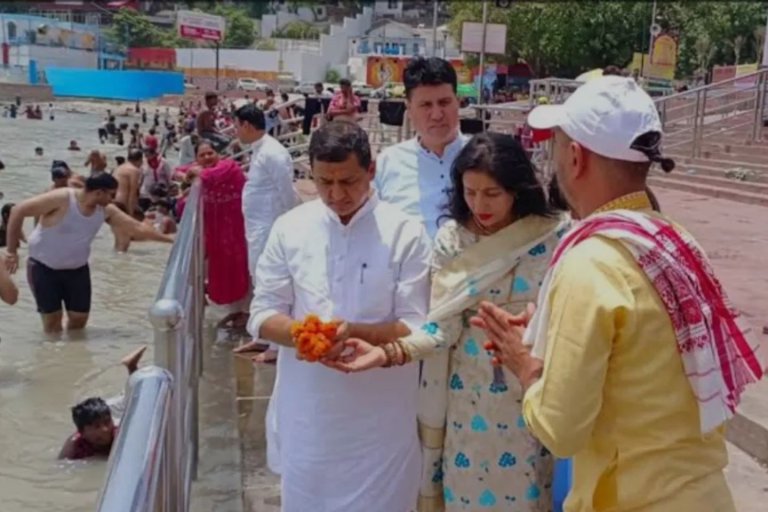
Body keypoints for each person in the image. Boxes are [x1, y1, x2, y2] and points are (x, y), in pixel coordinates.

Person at [473, 76, 764, 512]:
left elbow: (560, 428)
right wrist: (553, 327)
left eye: (556, 146)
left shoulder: (591, 261)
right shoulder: (673, 241)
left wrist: (524, 362)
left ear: (575, 157)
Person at [328, 133, 570, 511]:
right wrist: (385, 354)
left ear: (517, 188)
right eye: (470, 192)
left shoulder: (553, 236)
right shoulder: (452, 240)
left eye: (492, 193)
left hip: (529, 390)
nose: (479, 205)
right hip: (468, 398)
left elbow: (569, 316)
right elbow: (441, 328)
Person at [247, 121, 431, 511]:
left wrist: (355, 333)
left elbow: (416, 325)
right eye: (323, 182)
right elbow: (262, 314)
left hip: (382, 424)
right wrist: (304, 336)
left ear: (371, 170)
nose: (335, 194)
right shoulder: (290, 228)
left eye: (347, 181)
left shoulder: (406, 233)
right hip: (310, 417)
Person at [4, 174, 173, 333]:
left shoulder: (106, 210)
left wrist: (171, 240)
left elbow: (137, 228)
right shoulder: (62, 198)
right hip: (43, 268)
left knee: (79, 321)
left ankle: (72, 359)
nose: (112, 200)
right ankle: (52, 357)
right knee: (52, 323)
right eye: (110, 195)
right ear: (99, 192)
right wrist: (12, 251)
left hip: (77, 270)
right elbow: (18, 211)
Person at [375, 57, 469, 239]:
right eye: (425, 105)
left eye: (444, 103)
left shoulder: (484, 157)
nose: (436, 115)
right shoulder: (388, 163)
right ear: (409, 109)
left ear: (457, 102)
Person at [232, 103, 298, 360]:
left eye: (237, 126)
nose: (235, 131)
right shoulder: (259, 150)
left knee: (272, 283)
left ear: (247, 125)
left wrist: (286, 226)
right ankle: (261, 336)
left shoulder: (273, 153)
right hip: (258, 228)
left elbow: (286, 192)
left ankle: (276, 346)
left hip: (270, 227)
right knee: (259, 280)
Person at [188, 140, 250, 327]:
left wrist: (194, 172)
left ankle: (244, 313)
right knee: (223, 272)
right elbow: (182, 170)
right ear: (196, 159)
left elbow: (210, 176)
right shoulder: (205, 170)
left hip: (239, 230)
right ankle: (236, 312)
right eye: (202, 155)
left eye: (210, 153)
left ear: (219, 154)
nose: (207, 157)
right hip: (218, 235)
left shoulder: (228, 167)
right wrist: (189, 172)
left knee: (243, 271)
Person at [58, 346, 147, 460]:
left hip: (115, 412)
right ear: (82, 432)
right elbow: (61, 465)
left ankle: (132, 366)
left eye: (106, 423)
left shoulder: (119, 434)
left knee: (137, 403)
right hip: (104, 410)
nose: (105, 429)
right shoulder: (75, 444)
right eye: (97, 426)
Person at [139, 139, 173, 211]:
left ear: (154, 154)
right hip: (146, 193)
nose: (146, 157)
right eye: (145, 155)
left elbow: (169, 176)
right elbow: (141, 177)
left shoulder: (163, 162)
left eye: (148, 155)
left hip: (160, 192)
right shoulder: (143, 163)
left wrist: (169, 189)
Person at [113, 149, 143, 218]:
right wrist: (130, 214)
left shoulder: (119, 168)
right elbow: (132, 193)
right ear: (140, 160)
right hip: (123, 203)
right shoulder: (134, 170)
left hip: (114, 202)